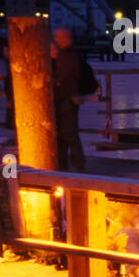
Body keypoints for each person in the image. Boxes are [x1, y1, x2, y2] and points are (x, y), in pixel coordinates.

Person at [50, 28, 85, 171]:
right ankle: (64, 164)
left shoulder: (68, 56)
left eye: (57, 37)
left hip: (66, 99)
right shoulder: (70, 54)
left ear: (65, 38)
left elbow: (67, 77)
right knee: (63, 134)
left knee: (69, 134)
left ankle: (76, 164)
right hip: (64, 98)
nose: (54, 39)